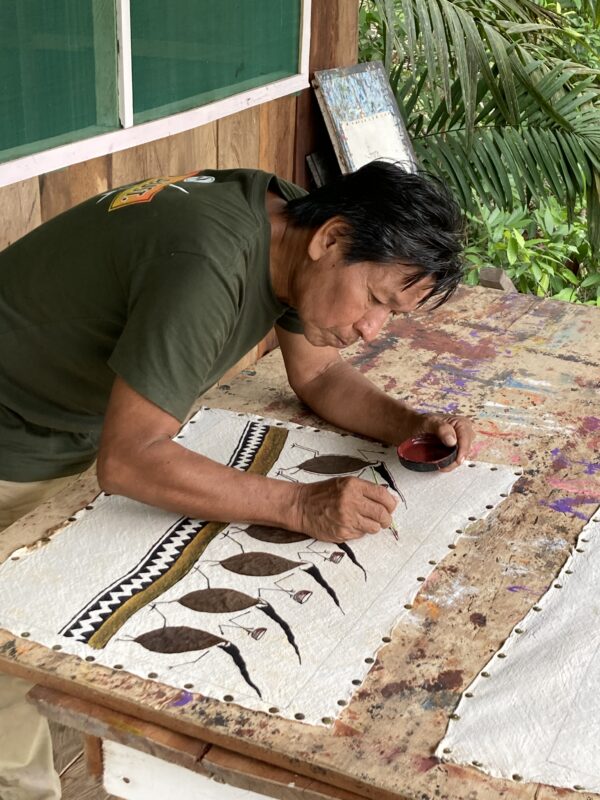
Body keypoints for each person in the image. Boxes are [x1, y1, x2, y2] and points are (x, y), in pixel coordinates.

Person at [0, 160, 472, 798]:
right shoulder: (210, 262)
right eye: (378, 301)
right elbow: (131, 459)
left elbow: (320, 376)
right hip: (16, 433)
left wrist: (410, 423)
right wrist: (300, 506)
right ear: (331, 240)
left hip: (72, 421)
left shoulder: (284, 218)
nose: (370, 330)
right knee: (12, 655)